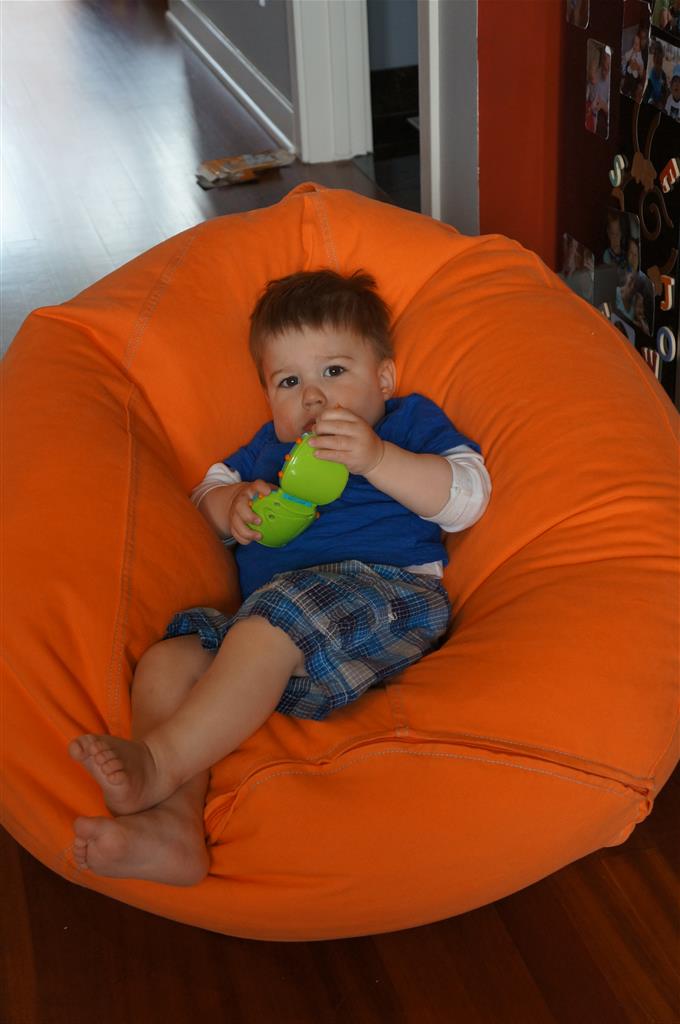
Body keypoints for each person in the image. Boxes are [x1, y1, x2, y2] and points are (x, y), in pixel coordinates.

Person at [67, 269, 492, 885]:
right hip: (272, 630)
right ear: (268, 395)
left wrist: (378, 458)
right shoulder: (270, 448)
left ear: (384, 378)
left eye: (334, 371)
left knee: (269, 625)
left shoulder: (404, 424)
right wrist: (231, 506)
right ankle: (173, 828)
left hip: (388, 596)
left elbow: (467, 498)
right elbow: (203, 495)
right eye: (289, 382)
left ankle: (157, 764)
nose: (314, 398)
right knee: (167, 660)